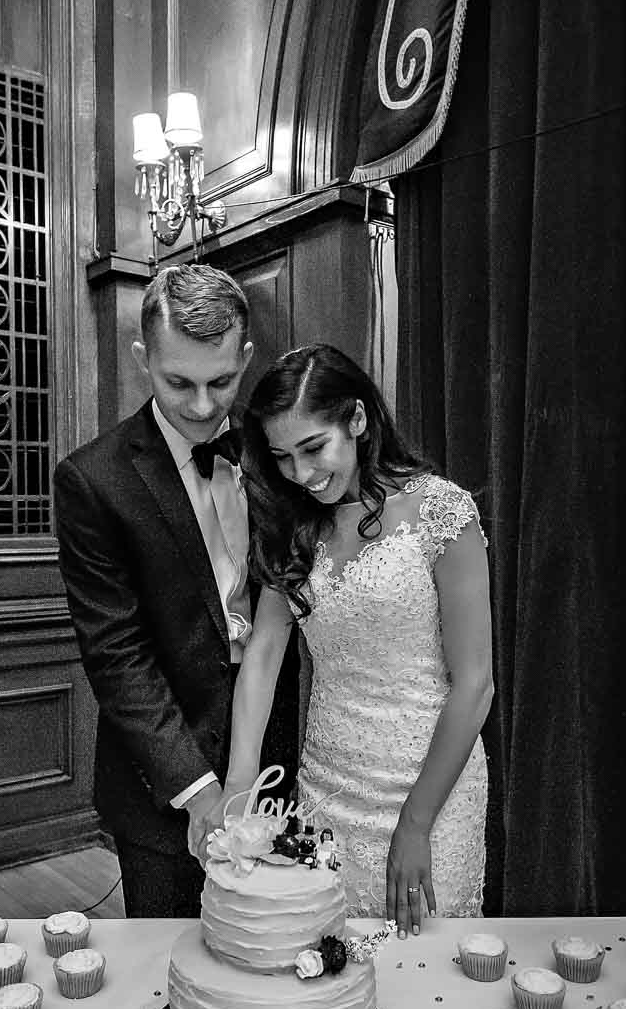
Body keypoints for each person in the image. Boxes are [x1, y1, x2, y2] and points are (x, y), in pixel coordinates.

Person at [197, 343, 493, 936]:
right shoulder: (291, 524)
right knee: (329, 959)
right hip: (328, 785)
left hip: (431, 786)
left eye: (314, 448)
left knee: (427, 961)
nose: (301, 475)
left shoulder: (441, 510)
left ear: (357, 420)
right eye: (282, 457)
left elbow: (476, 685)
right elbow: (263, 657)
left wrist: (416, 821)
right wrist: (239, 784)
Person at [53, 262, 295, 917]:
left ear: (246, 357)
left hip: (285, 763)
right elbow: (116, 653)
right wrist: (199, 789)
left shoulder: (281, 453)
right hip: (164, 784)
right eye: (177, 381)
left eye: (222, 381)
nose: (202, 405)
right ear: (143, 359)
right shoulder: (93, 481)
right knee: (173, 974)